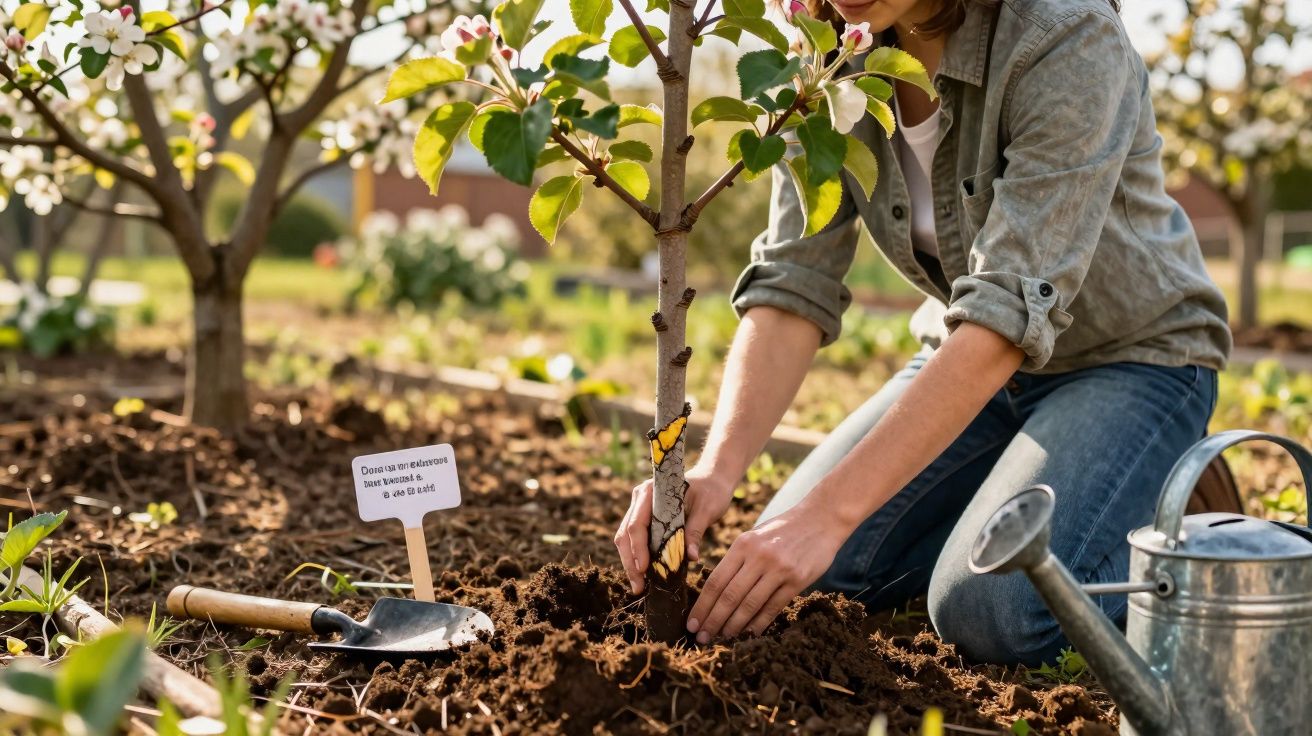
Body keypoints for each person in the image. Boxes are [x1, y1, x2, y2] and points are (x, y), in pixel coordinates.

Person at [613, 0, 1232, 666]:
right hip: (966, 361)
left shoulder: (1063, 33)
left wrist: (831, 515)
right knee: (802, 578)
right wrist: (713, 470)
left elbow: (1007, 309)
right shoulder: (825, 59)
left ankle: (1183, 531)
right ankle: (1020, 493)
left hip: (1129, 360)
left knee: (991, 611)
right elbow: (794, 280)